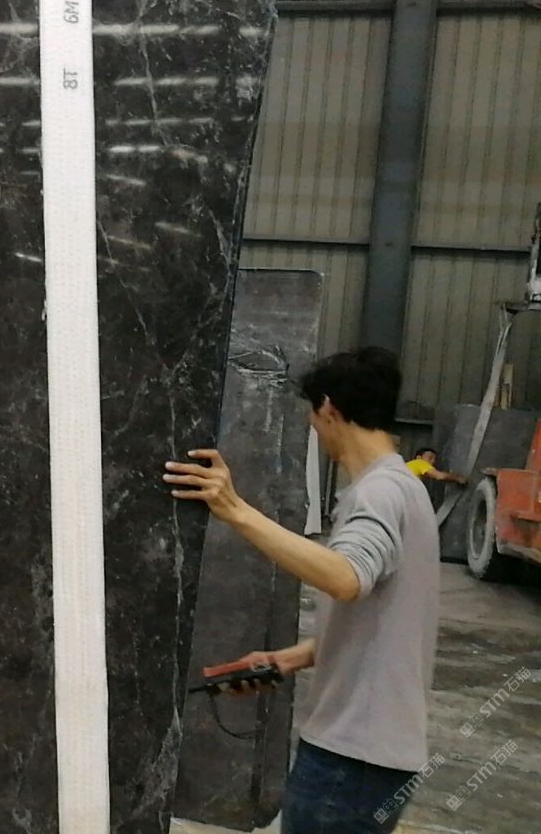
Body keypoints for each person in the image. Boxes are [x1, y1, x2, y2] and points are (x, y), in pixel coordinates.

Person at [165, 346, 438, 834]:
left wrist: (235, 510)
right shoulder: (406, 489)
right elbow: (385, 618)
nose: (315, 427)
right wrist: (290, 658)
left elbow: (346, 577)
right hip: (376, 758)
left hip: (350, 758)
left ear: (328, 408)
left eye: (313, 416)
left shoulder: (379, 493)